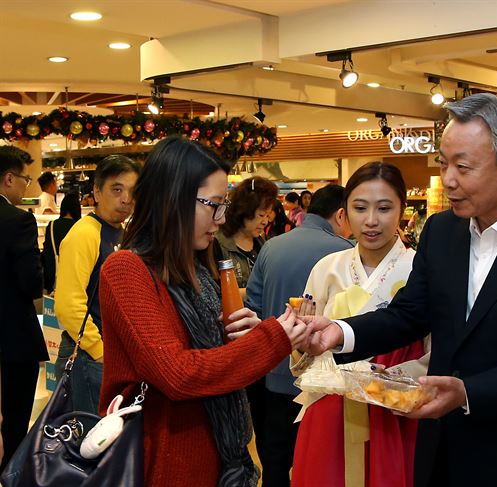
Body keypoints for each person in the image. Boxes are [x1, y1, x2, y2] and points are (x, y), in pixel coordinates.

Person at [301, 94, 497, 487]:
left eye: (463, 167)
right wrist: (340, 332)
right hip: (440, 450)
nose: (447, 180)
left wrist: (469, 393)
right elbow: (410, 313)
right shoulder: (443, 231)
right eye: (444, 164)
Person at [98, 136, 309, 486]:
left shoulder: (194, 266)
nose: (221, 218)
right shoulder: (126, 269)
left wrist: (244, 335)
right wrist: (270, 339)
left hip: (218, 455)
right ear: (173, 200)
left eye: (223, 204)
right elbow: (177, 374)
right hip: (163, 462)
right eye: (213, 205)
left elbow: (209, 357)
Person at [292, 163, 426, 487]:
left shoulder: (419, 268)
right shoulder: (327, 269)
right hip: (330, 411)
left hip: (394, 413)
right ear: (344, 213)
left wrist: (392, 382)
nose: (371, 221)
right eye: (360, 207)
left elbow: (435, 353)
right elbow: (301, 364)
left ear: (402, 210)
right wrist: (299, 344)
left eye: (384, 208)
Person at [245, 184, 353, 486]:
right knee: (320, 467)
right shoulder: (345, 253)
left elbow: (251, 304)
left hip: (274, 375)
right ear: (341, 214)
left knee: (275, 464)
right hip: (324, 384)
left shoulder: (271, 246)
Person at [54, 155, 140, 413]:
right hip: (88, 357)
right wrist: (101, 352)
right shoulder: (84, 234)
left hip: (108, 355)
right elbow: (69, 305)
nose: (126, 199)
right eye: (117, 189)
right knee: (87, 443)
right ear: (97, 192)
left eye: (132, 191)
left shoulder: (121, 232)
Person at [213, 175, 278, 466]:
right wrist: (252, 290)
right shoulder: (218, 245)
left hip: (259, 345)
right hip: (228, 346)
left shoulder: (264, 246)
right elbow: (214, 293)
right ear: (244, 211)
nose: (266, 220)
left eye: (269, 213)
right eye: (261, 214)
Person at [0, 146, 48, 470]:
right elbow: (31, 282)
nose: (26, 187)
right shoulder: (18, 220)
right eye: (24, 179)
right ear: (7, 179)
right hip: (13, 338)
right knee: (14, 422)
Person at [41, 192, 82, 294]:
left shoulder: (52, 226)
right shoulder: (81, 227)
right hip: (76, 283)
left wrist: (48, 285)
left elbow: (48, 256)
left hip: (55, 281)